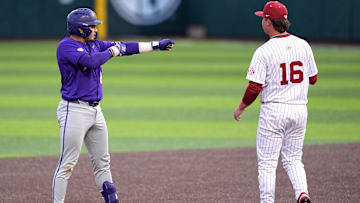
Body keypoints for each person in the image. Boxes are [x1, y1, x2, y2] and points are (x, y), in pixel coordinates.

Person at [52, 8, 175, 203]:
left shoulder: (95, 44)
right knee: (67, 165)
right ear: (80, 29)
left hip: (95, 111)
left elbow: (126, 47)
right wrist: (111, 51)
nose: (95, 29)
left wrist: (155, 46)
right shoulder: (66, 47)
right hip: (74, 111)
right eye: (91, 26)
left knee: (103, 163)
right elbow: (90, 62)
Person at [233, 1, 318, 203]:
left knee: (267, 163)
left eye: (263, 18)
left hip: (274, 111)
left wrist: (240, 107)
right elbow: (313, 79)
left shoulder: (264, 51)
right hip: (299, 110)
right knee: (293, 158)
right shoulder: (303, 44)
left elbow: (254, 87)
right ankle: (301, 193)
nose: (262, 21)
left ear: (269, 22)